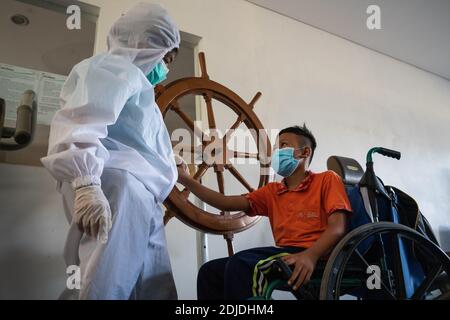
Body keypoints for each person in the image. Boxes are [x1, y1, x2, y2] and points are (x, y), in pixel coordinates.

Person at [41, 3, 180, 300]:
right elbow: (82, 121)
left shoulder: (141, 91)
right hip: (116, 188)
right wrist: (86, 183)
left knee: (152, 286)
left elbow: (140, 144)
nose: (166, 67)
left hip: (140, 194)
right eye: (165, 56)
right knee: (105, 281)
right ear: (145, 43)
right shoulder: (112, 68)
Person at [177, 124, 353, 299]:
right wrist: (186, 180)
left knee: (243, 264)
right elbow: (225, 203)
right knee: (210, 272)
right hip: (285, 253)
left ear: (304, 152)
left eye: (283, 145)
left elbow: (338, 228)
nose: (277, 152)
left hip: (320, 255)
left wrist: (311, 256)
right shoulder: (272, 191)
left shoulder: (327, 180)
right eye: (277, 148)